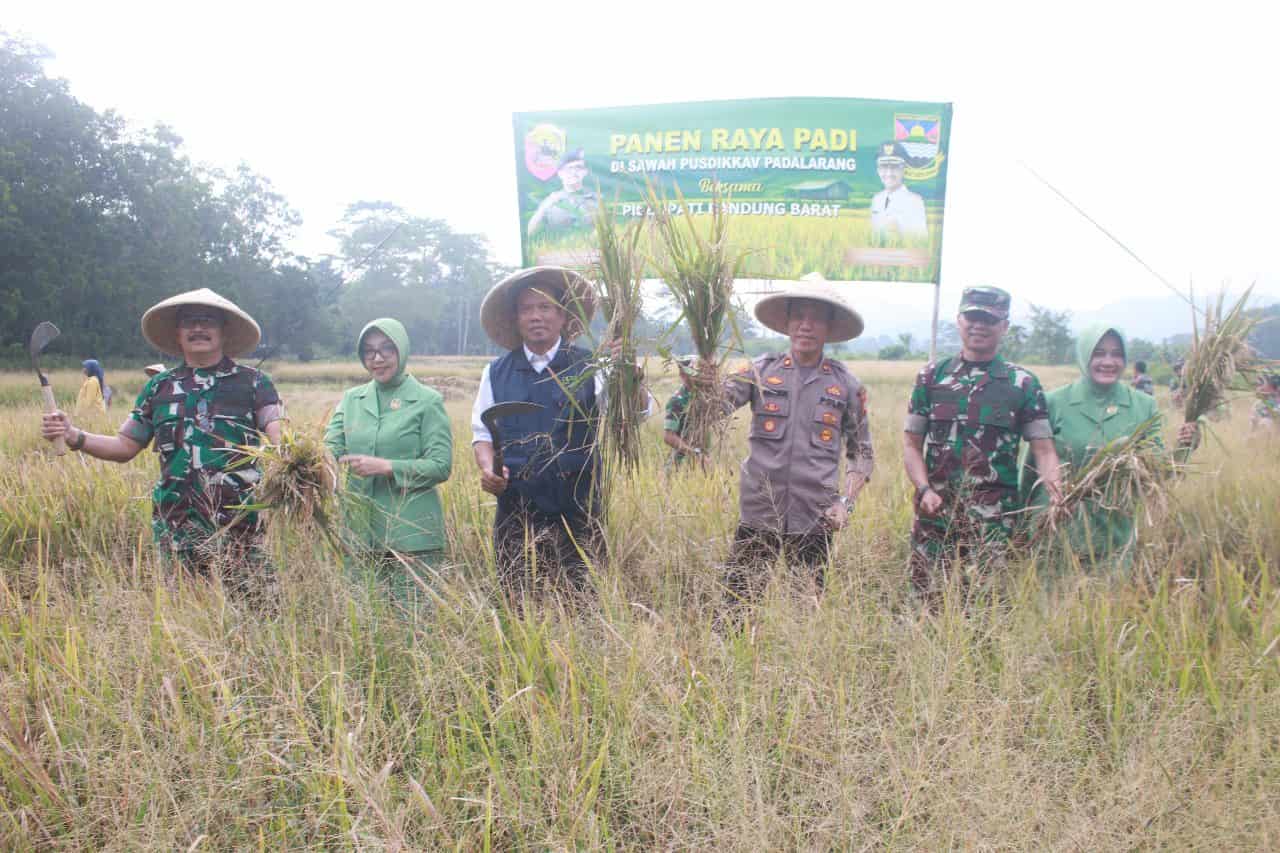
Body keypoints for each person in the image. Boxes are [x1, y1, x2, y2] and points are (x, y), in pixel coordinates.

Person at [40, 289, 284, 589]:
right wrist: (73, 435)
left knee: (256, 611)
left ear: (223, 331)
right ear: (177, 334)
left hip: (239, 525)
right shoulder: (158, 387)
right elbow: (124, 446)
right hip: (175, 526)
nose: (198, 328)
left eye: (207, 320)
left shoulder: (255, 383)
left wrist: (292, 455)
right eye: (189, 322)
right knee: (185, 617)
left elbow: (277, 433)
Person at [714, 281, 874, 614]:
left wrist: (846, 502)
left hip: (815, 517)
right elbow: (716, 406)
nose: (806, 325)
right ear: (786, 324)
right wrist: (701, 382)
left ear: (829, 328)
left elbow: (862, 453)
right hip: (759, 512)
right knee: (736, 608)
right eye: (798, 316)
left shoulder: (846, 384)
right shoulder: (759, 371)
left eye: (816, 318)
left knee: (804, 610)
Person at [902, 286, 1062, 603]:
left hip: (994, 524)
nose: (979, 325)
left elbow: (1044, 451)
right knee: (925, 605)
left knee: (986, 613)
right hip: (935, 517)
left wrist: (1057, 494)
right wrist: (923, 489)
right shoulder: (931, 377)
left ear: (1004, 326)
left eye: (989, 319)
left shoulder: (1023, 384)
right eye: (972, 317)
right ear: (959, 320)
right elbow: (910, 445)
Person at [471, 266, 605, 599]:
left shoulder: (592, 366)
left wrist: (632, 376)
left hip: (578, 500)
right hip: (516, 501)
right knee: (517, 596)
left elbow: (633, 413)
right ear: (516, 319)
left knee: (581, 596)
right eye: (526, 309)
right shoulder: (496, 372)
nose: (536, 316)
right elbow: (482, 433)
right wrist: (488, 469)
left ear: (563, 317)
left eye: (545, 308)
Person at [1024, 325, 1197, 568]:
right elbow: (1031, 468)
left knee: (1108, 604)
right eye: (1099, 353)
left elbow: (1156, 471)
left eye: (1116, 354)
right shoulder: (1054, 402)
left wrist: (1185, 446)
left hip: (1113, 539)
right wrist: (1023, 526)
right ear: (1084, 355)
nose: (1108, 361)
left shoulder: (1143, 405)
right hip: (1056, 533)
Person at [325, 319, 453, 610]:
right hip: (360, 532)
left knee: (414, 628)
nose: (377, 358)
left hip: (413, 536)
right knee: (366, 625)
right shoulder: (351, 400)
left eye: (386, 349)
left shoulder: (427, 401)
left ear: (402, 351)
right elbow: (329, 448)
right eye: (369, 351)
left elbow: (441, 465)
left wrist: (387, 467)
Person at [526, 148, 599, 236]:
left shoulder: (597, 199)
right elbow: (531, 232)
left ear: (585, 172)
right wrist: (544, 208)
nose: (573, 172)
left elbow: (609, 229)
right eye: (568, 168)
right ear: (560, 173)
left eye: (578, 167)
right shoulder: (551, 200)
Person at [869, 142, 928, 241]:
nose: (889, 173)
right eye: (884, 167)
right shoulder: (876, 200)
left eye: (894, 167)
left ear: (903, 169)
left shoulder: (915, 202)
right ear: (878, 170)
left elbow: (921, 241)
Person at [663, 356, 705, 467]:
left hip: (704, 461)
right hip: (681, 464)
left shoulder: (705, 395)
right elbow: (668, 437)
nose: (694, 377)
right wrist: (696, 454)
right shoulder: (677, 401)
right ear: (682, 375)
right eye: (689, 374)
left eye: (696, 373)